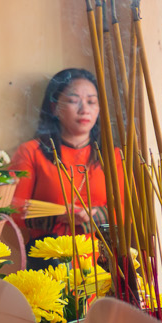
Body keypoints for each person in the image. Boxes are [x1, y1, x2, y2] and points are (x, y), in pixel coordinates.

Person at [11, 68, 124, 234]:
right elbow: (12, 209)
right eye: (73, 101)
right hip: (48, 254)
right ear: (54, 107)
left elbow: (127, 211)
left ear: (99, 108)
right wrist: (58, 215)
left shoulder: (112, 156)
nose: (84, 109)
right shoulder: (31, 152)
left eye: (91, 102)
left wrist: (93, 215)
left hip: (100, 256)